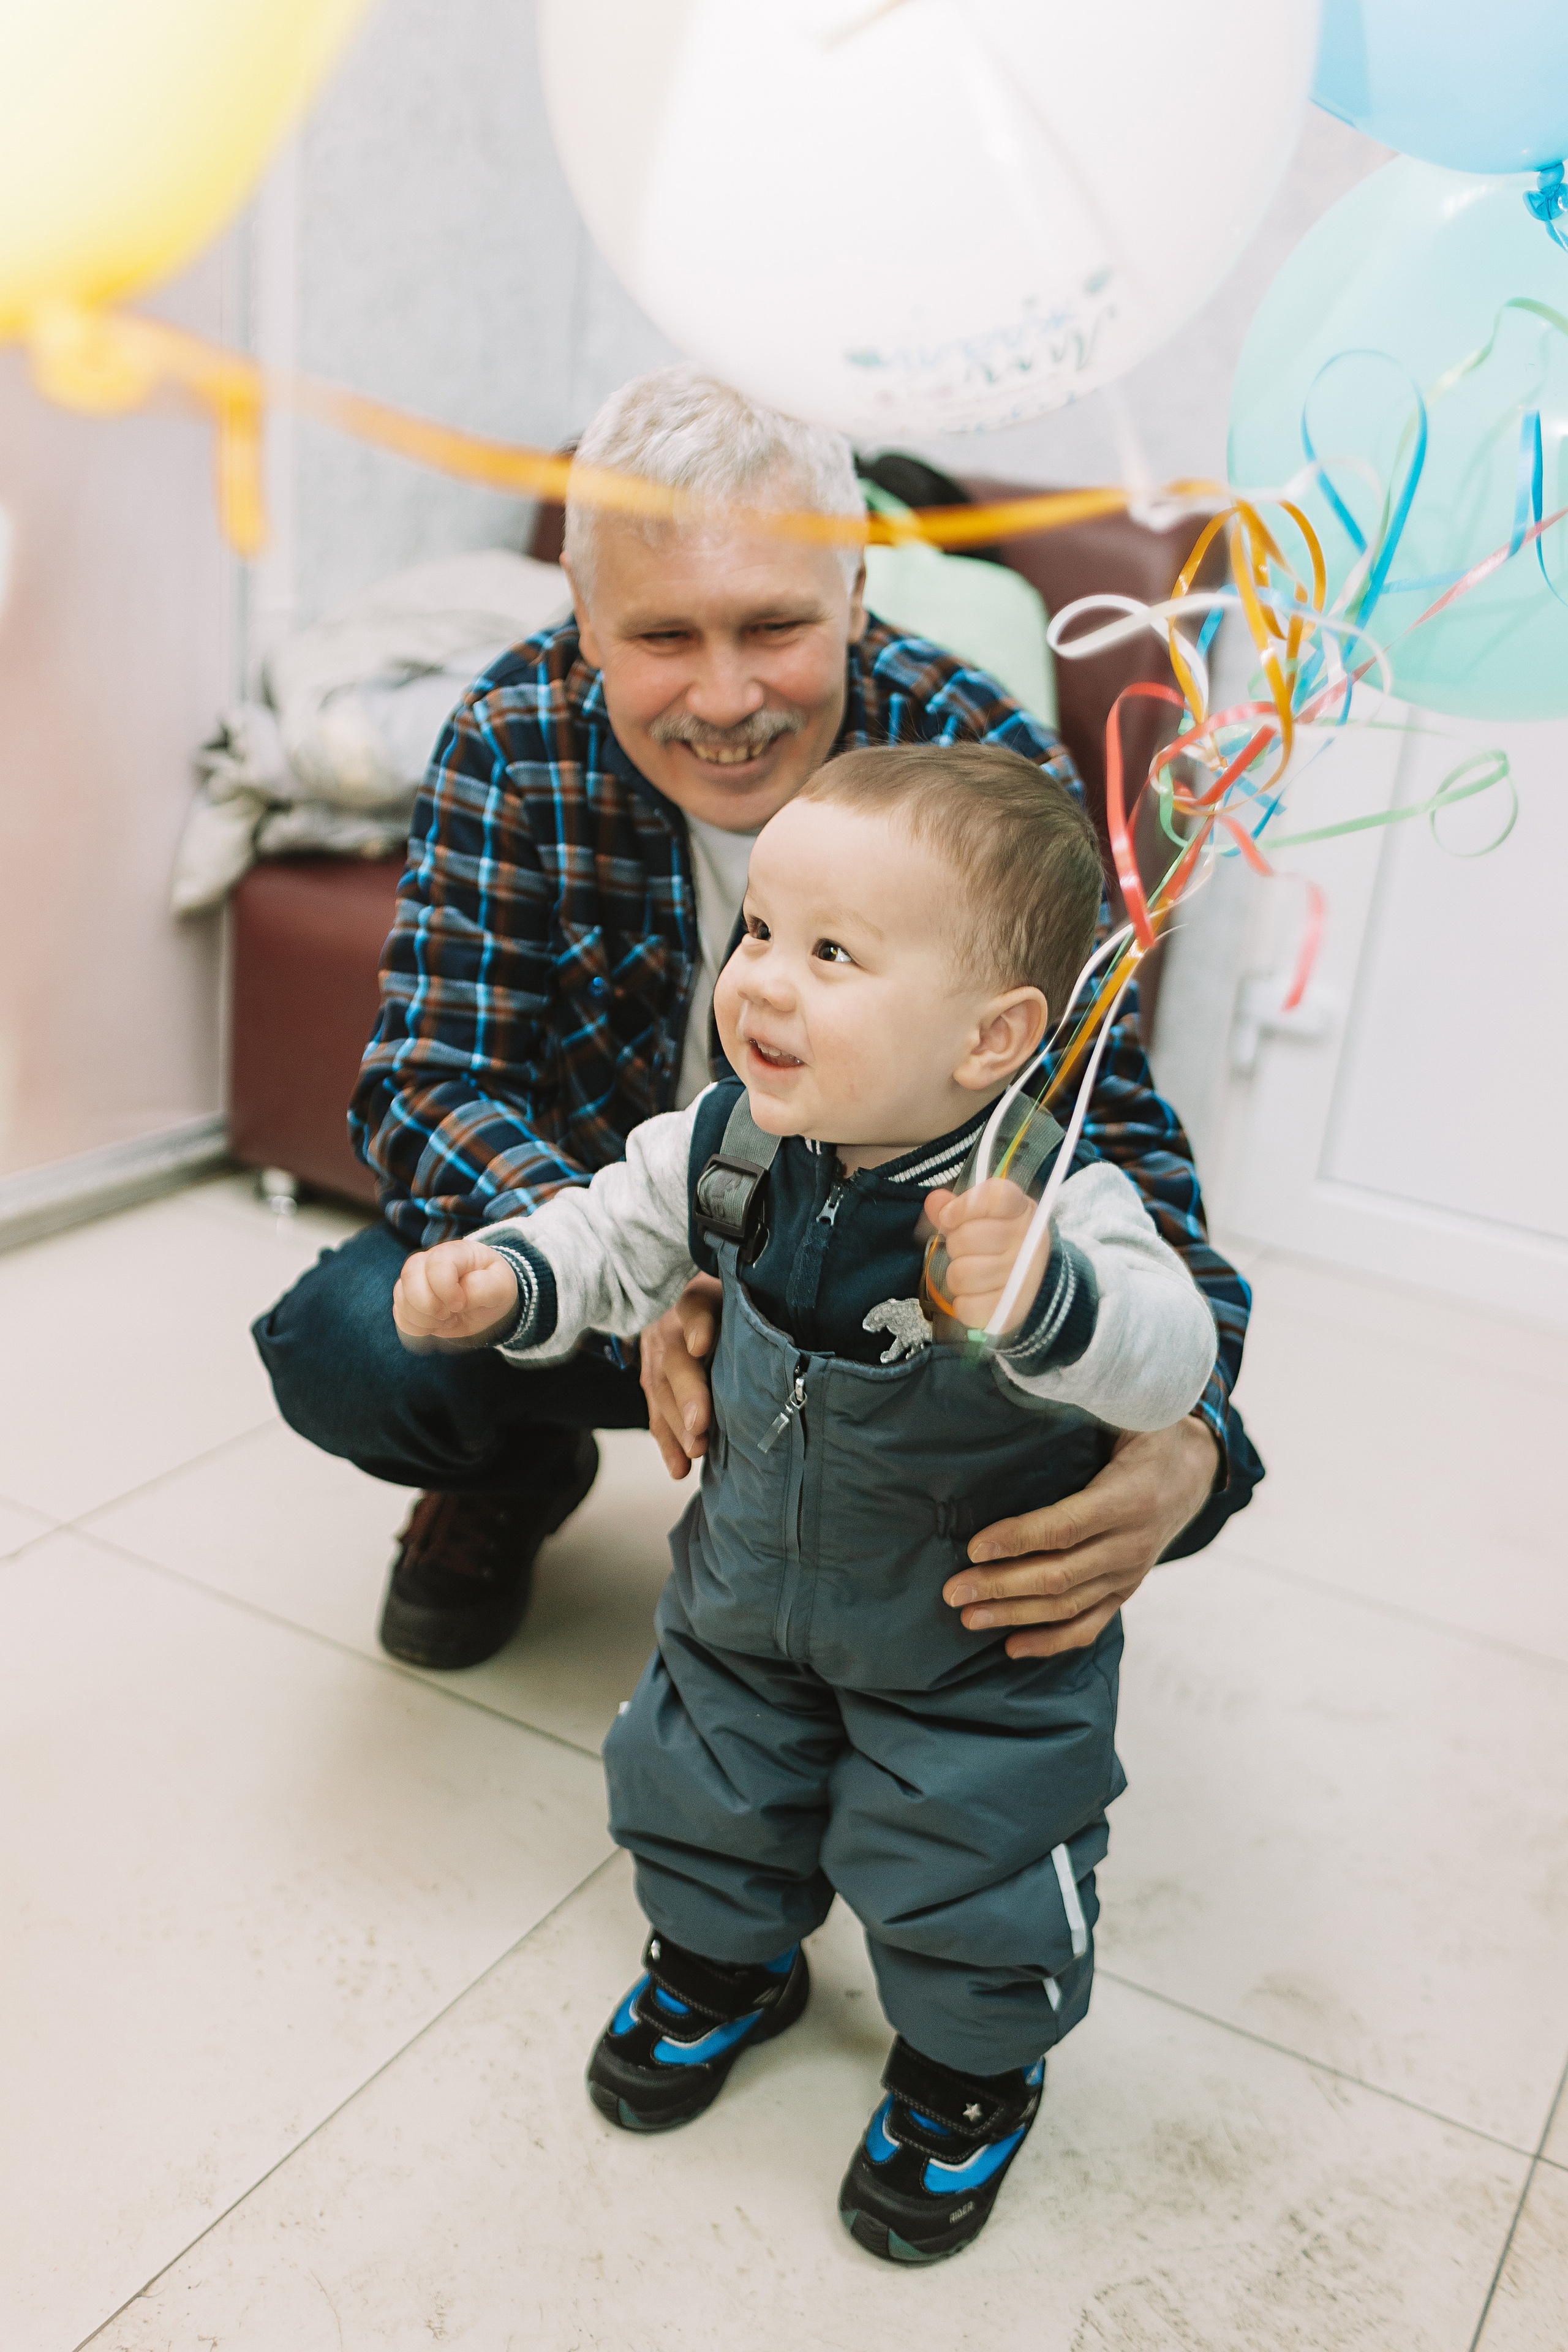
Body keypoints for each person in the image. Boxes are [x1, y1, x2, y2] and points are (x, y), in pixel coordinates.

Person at [252, 363, 1261, 1672]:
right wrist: (639, 1280)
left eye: (773, 626)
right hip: (620, 1252)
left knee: (1110, 1398)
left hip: (884, 1325)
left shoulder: (982, 763)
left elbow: (1103, 1126)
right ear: (585, 617)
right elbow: (429, 1085)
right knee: (352, 1346)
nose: (726, 702)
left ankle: (885, 1567)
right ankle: (511, 1476)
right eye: (664, 638)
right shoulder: (508, 735)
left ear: (854, 596)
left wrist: (1195, 1428)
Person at [390, 743, 1219, 2261]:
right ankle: (725, 1968)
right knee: (698, 1790)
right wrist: (510, 1276)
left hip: (971, 1647)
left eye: (830, 954)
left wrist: (1050, 1303)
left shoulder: (1054, 1196)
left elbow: (1173, 1359)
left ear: (994, 1038)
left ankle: (971, 2073)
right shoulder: (726, 1141)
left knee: (971, 1862)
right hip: (746, 1598)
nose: (762, 982)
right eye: (758, 932)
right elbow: (612, 1233)